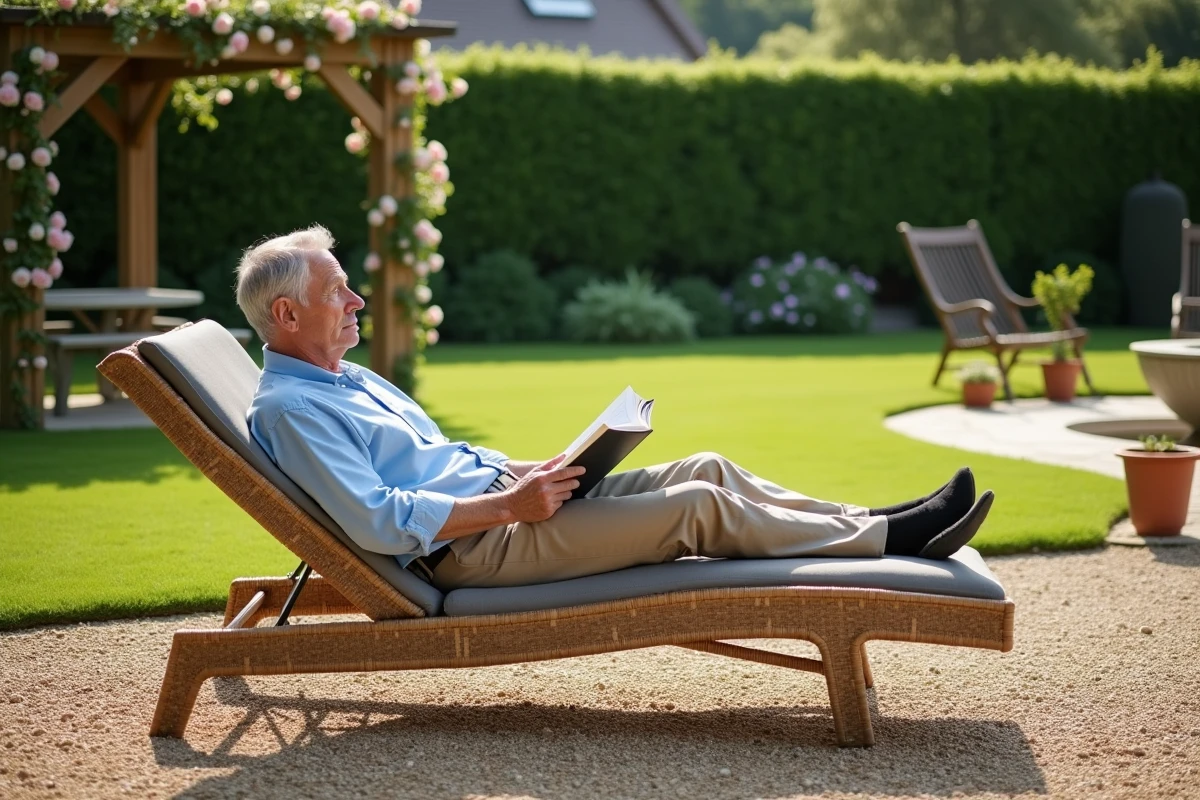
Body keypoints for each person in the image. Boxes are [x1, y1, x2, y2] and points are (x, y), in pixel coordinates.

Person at [236, 225, 993, 591]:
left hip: (502, 504)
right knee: (695, 506)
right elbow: (374, 517)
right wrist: (511, 507)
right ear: (287, 314)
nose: (355, 299)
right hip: (471, 549)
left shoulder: (349, 378)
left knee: (709, 466)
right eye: (336, 290)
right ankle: (897, 539)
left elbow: (438, 462)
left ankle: (876, 519)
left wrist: (539, 470)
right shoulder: (294, 411)